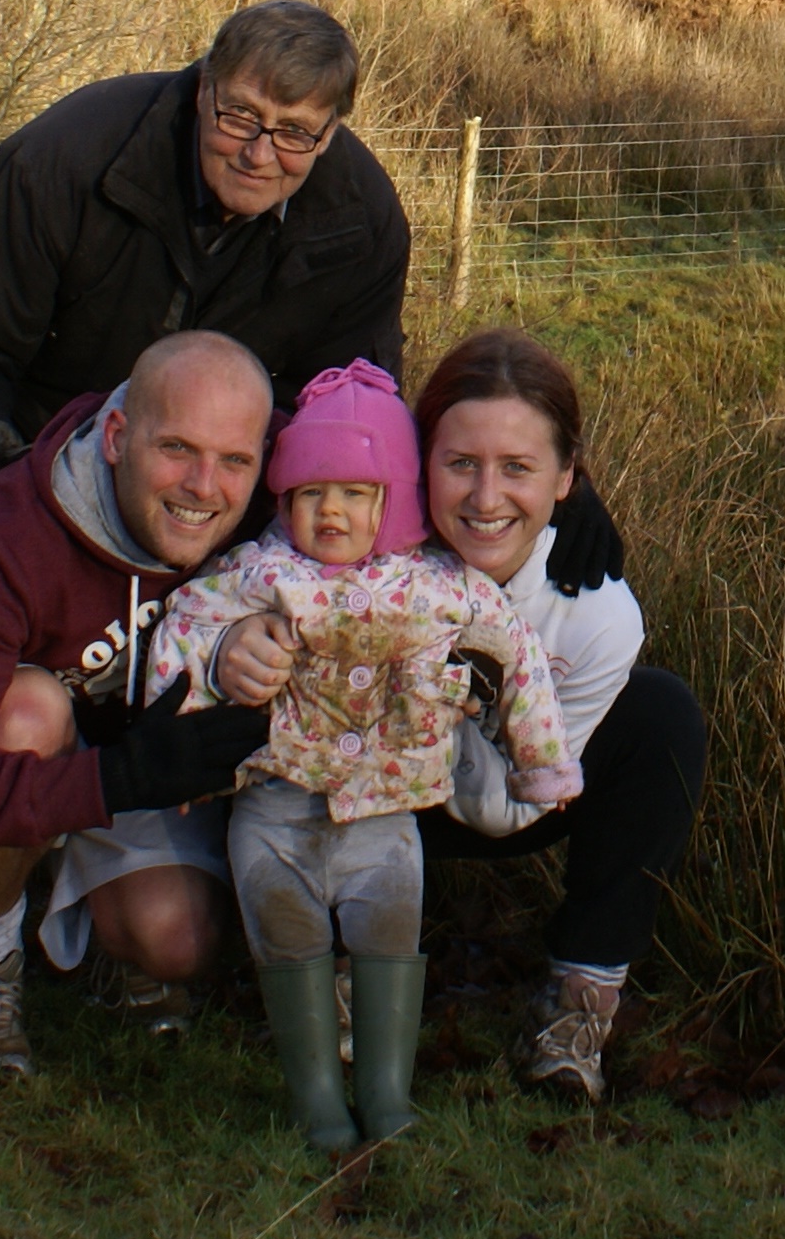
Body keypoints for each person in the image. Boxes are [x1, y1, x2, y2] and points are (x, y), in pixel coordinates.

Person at [215, 328, 706, 1103]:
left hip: (486, 795)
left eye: (519, 468)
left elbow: (506, 813)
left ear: (567, 477)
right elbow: (238, 587)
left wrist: (455, 713)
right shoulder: (350, 537)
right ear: (418, 464)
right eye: (461, 464)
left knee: (662, 716)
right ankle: (315, 964)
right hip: (334, 781)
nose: (485, 498)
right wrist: (234, 644)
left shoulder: (598, 617)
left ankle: (578, 1005)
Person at [141, 359, 582, 1150]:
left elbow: (518, 658)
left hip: (387, 817)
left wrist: (541, 762)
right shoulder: (258, 572)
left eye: (355, 493)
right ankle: (316, 1098)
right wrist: (182, 742)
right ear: (285, 499)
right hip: (275, 809)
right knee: (288, 938)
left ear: (394, 500)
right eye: (311, 493)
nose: (332, 512)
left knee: (389, 936)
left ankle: (386, 1093)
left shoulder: (442, 585)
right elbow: (184, 630)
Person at [0, 331, 279, 1080]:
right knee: (26, 711)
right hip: (47, 748)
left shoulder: (273, 502)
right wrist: (114, 781)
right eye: (176, 448)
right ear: (116, 436)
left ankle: (91, 925)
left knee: (176, 939)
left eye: (234, 461)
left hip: (130, 765)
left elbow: (400, 476)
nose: (203, 486)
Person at [0, 0, 411, 521]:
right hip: (34, 457)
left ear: (329, 133)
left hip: (217, 493)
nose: (258, 154)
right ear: (204, 89)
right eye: (240, 115)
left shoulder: (363, 220)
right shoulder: (66, 160)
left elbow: (346, 399)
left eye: (294, 131)